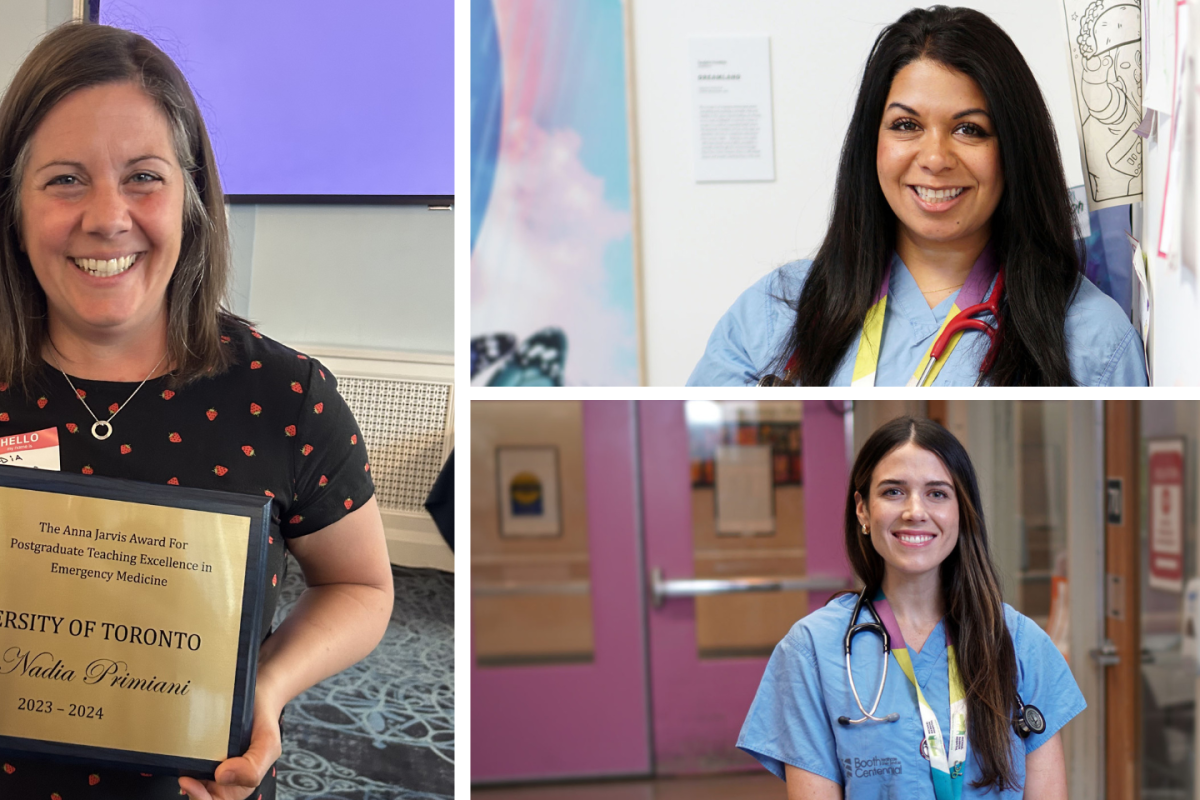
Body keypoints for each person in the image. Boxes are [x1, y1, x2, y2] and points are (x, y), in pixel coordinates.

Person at [0, 22, 394, 800]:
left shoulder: (286, 396)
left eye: (143, 176)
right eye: (65, 180)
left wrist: (264, 688)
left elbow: (363, 587)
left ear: (191, 198)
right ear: (13, 203)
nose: (108, 217)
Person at [688, 6, 1147, 387]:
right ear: (872, 142)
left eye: (969, 129)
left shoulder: (1093, 341)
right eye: (906, 125)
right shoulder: (772, 314)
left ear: (1014, 149)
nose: (934, 157)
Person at [738, 416, 1083, 798]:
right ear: (863, 510)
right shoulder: (812, 650)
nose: (915, 511)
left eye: (937, 493)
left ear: (961, 511)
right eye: (893, 492)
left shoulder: (1018, 641)